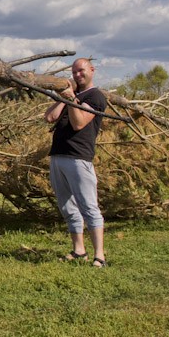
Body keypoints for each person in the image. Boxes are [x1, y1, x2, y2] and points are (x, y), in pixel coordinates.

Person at [44, 58, 108, 268]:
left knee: (88, 206)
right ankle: (79, 250)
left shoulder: (96, 96)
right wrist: (66, 98)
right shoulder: (73, 96)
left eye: (81, 71)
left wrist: (72, 98)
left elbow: (79, 122)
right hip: (58, 156)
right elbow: (50, 117)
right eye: (74, 72)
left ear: (91, 70)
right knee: (68, 207)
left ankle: (100, 256)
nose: (78, 75)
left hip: (78, 157)